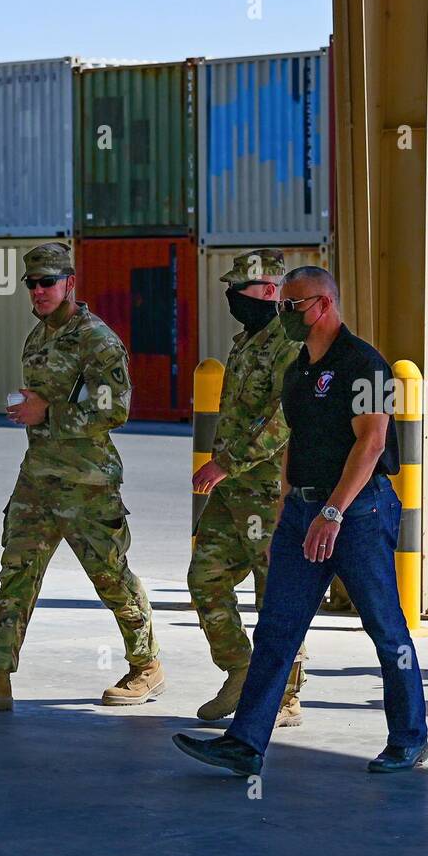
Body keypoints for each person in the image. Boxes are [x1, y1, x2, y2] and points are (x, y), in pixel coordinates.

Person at [173, 266, 428, 775]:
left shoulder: (367, 366)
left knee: (385, 628)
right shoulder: (297, 369)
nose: (283, 315)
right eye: (281, 306)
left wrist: (332, 511)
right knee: (277, 628)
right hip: (303, 514)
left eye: (293, 306)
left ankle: (409, 738)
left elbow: (372, 443)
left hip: (357, 512)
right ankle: (245, 743)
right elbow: (293, 442)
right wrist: (288, 510)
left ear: (325, 304)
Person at [0, 242, 162, 711]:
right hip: (38, 478)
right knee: (15, 576)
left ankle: (146, 667)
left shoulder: (97, 339)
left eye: (48, 283)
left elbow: (115, 407)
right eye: (32, 284)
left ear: (70, 284)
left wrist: (47, 411)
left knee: (111, 578)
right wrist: (30, 409)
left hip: (88, 483)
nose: (39, 292)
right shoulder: (37, 336)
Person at [188, 249, 308, 727]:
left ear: (269, 292)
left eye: (240, 292)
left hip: (271, 491)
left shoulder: (290, 345)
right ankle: (241, 669)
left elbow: (283, 419)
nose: (232, 300)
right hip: (233, 490)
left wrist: (225, 463)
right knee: (205, 578)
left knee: (277, 593)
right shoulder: (246, 341)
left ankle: (285, 697)